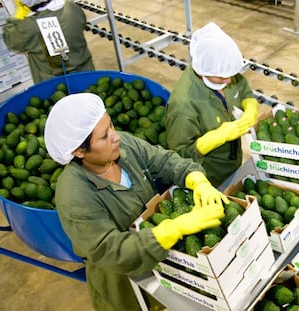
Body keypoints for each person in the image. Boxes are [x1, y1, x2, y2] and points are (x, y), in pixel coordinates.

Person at [43, 92, 228, 311]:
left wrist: (196, 179)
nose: (115, 136)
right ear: (79, 151)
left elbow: (164, 160)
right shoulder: (74, 195)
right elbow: (110, 251)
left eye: (111, 125)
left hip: (165, 261)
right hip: (123, 281)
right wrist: (174, 228)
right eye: (104, 136)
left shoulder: (123, 147)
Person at [164, 22, 259, 188]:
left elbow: (242, 88)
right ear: (202, 71)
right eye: (221, 77)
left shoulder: (221, 72)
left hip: (233, 164)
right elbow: (178, 157)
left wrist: (250, 106)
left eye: (231, 75)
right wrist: (213, 139)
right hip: (210, 177)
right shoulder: (183, 105)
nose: (228, 80)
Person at [3, 0, 95, 83]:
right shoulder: (72, 8)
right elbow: (82, 22)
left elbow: (11, 41)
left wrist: (17, 16)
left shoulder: (25, 27)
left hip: (52, 84)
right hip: (85, 73)